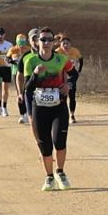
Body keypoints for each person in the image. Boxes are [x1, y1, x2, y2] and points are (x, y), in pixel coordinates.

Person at [20, 27, 73, 190]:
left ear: (54, 42)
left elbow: (75, 74)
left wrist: (69, 84)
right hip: (40, 108)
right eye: (43, 40)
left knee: (59, 141)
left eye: (50, 40)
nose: (46, 43)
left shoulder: (61, 59)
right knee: (45, 144)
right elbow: (28, 88)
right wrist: (35, 74)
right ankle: (49, 177)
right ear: (37, 42)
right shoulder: (30, 61)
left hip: (59, 107)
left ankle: (60, 172)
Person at [56, 32, 84, 123]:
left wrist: (78, 71)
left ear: (70, 44)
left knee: (72, 96)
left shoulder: (75, 51)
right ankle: (62, 115)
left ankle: (72, 115)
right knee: (62, 97)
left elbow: (81, 60)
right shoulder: (57, 52)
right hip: (60, 77)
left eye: (67, 43)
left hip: (72, 76)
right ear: (60, 44)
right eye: (63, 43)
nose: (65, 45)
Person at [0, 27, 15, 116]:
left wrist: (12, 62)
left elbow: (12, 56)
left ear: (4, 35)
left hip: (6, 67)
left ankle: (4, 107)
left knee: (5, 88)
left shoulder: (9, 45)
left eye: (1, 34)